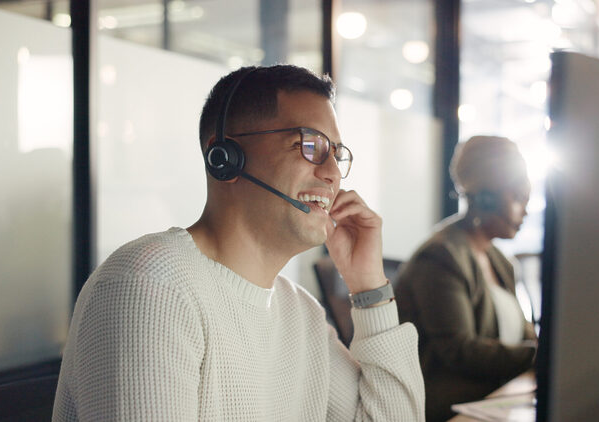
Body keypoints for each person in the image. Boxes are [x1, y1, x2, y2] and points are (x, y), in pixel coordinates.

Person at [53, 65, 424, 421]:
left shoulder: (301, 314)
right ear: (225, 158)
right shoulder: (151, 285)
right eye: (311, 145)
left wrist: (369, 288)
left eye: (337, 156)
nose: (332, 175)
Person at [395, 136, 537, 421]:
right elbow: (459, 350)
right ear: (486, 197)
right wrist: (539, 356)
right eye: (518, 198)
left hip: (494, 399)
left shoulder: (501, 261)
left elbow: (523, 335)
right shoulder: (440, 257)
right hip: (448, 409)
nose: (526, 210)